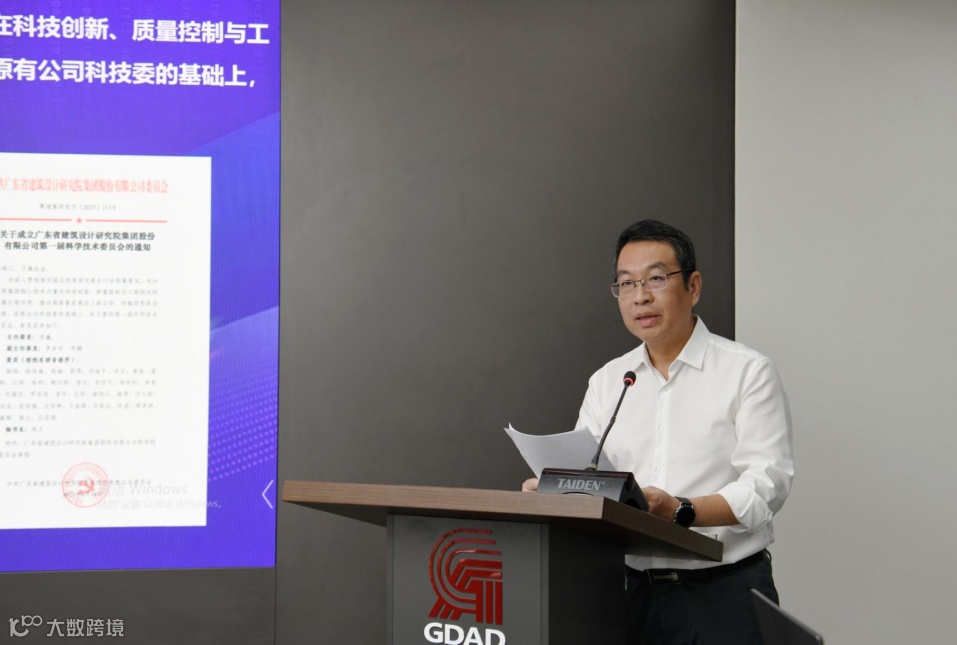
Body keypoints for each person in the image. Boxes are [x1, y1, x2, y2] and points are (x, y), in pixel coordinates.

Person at [522, 219, 794, 645]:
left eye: (655, 279)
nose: (640, 297)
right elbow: (592, 481)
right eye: (626, 284)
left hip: (724, 593)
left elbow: (766, 485)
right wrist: (557, 491)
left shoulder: (747, 371)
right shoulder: (609, 380)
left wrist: (681, 510)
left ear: (693, 287)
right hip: (629, 596)